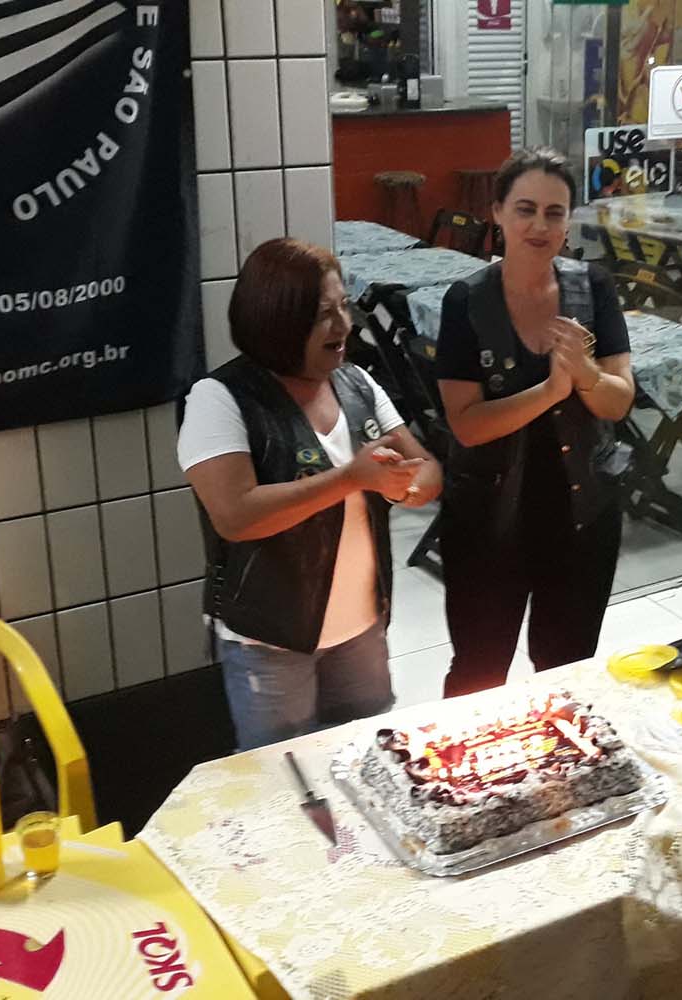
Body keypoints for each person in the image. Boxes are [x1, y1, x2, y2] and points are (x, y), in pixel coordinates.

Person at [179, 238, 442, 750]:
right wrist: (350, 479)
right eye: (324, 314)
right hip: (270, 641)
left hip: (362, 625)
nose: (345, 326)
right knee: (284, 776)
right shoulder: (220, 398)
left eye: (344, 306)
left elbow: (428, 468)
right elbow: (235, 516)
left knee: (368, 759)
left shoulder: (357, 383)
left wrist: (408, 487)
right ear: (276, 320)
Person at [435, 148, 636, 697]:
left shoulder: (593, 288)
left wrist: (586, 374)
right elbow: (467, 425)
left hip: (582, 517)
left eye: (554, 212)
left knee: (567, 673)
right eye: (525, 209)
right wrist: (550, 391)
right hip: (486, 523)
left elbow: (619, 402)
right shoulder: (466, 301)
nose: (539, 226)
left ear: (569, 221)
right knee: (478, 675)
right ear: (498, 213)